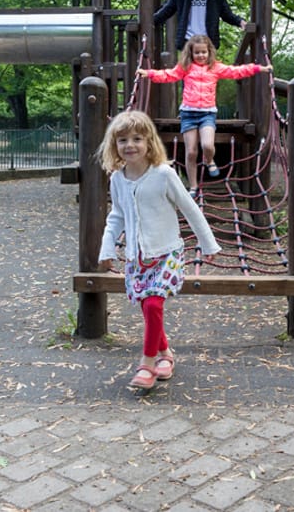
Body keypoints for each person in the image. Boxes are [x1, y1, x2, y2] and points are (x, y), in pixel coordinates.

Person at [96, 110, 220, 390]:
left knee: (153, 304)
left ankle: (147, 363)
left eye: (137, 139)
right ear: (114, 145)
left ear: (149, 142)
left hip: (166, 254)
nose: (130, 145)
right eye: (123, 140)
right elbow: (116, 215)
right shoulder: (117, 178)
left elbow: (190, 209)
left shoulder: (163, 174)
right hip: (136, 258)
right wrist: (107, 248)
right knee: (148, 310)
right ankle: (166, 355)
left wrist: (207, 243)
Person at [137, 34, 273, 195]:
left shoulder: (215, 67)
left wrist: (258, 68)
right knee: (191, 152)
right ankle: (193, 186)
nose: (201, 56)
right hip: (188, 113)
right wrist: (150, 73)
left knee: (207, 145)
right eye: (197, 53)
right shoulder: (185, 68)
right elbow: (168, 75)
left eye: (204, 52)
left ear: (209, 52)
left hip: (207, 113)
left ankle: (209, 160)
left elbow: (236, 71)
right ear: (191, 53)